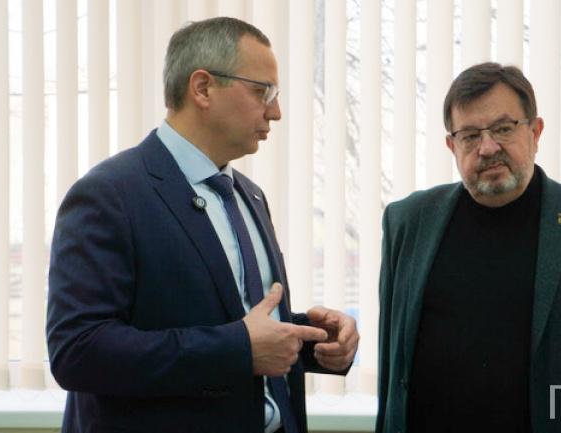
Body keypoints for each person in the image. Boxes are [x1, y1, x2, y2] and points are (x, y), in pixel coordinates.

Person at [46, 17, 359, 433]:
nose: (276, 112)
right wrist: (238, 348)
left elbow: (236, 320)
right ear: (203, 88)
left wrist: (313, 339)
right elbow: (78, 351)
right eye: (263, 92)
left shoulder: (248, 195)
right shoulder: (109, 195)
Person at [375, 62, 561, 433]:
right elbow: (392, 374)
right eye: (470, 135)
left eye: (504, 129)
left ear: (536, 132)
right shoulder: (407, 222)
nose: (488, 148)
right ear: (451, 146)